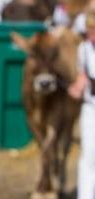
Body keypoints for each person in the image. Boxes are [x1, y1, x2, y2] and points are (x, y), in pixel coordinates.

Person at [68, 9, 95, 199]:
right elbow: (83, 75)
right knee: (88, 155)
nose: (90, 34)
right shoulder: (84, 49)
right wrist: (77, 87)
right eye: (88, 30)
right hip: (90, 108)